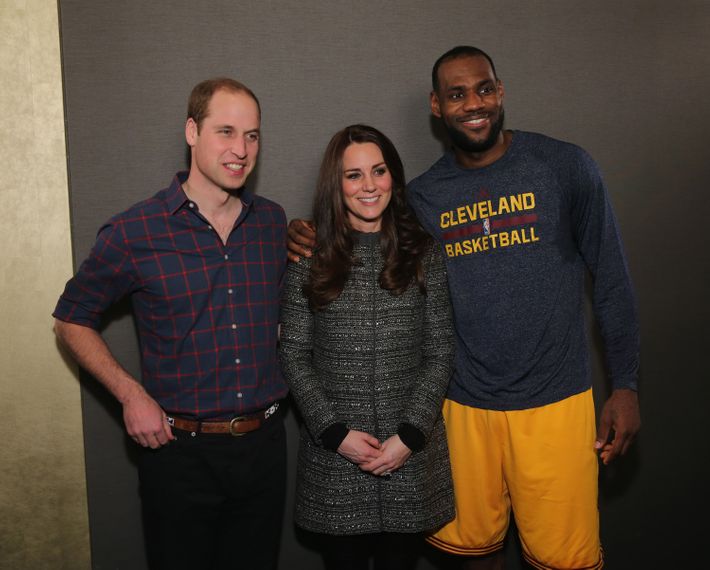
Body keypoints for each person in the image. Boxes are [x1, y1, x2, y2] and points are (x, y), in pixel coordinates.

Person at [286, 47, 641, 570]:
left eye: (484, 89)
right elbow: (366, 222)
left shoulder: (565, 167)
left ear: (501, 92)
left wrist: (627, 384)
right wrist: (308, 232)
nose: (473, 104)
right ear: (436, 105)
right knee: (471, 556)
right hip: (463, 409)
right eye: (456, 94)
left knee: (566, 560)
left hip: (556, 403)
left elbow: (612, 280)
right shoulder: (424, 197)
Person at [53, 78, 288, 570]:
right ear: (191, 131)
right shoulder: (135, 232)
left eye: (252, 135)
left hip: (265, 448)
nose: (240, 150)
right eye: (225, 131)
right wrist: (130, 394)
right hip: (180, 456)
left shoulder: (271, 223)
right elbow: (71, 319)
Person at [279, 124, 455, 570]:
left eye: (378, 171)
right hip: (335, 464)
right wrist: (337, 435)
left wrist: (409, 437)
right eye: (353, 175)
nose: (369, 185)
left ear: (393, 176)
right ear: (335, 186)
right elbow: (294, 355)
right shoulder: (309, 258)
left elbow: (440, 351)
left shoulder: (424, 254)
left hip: (409, 460)